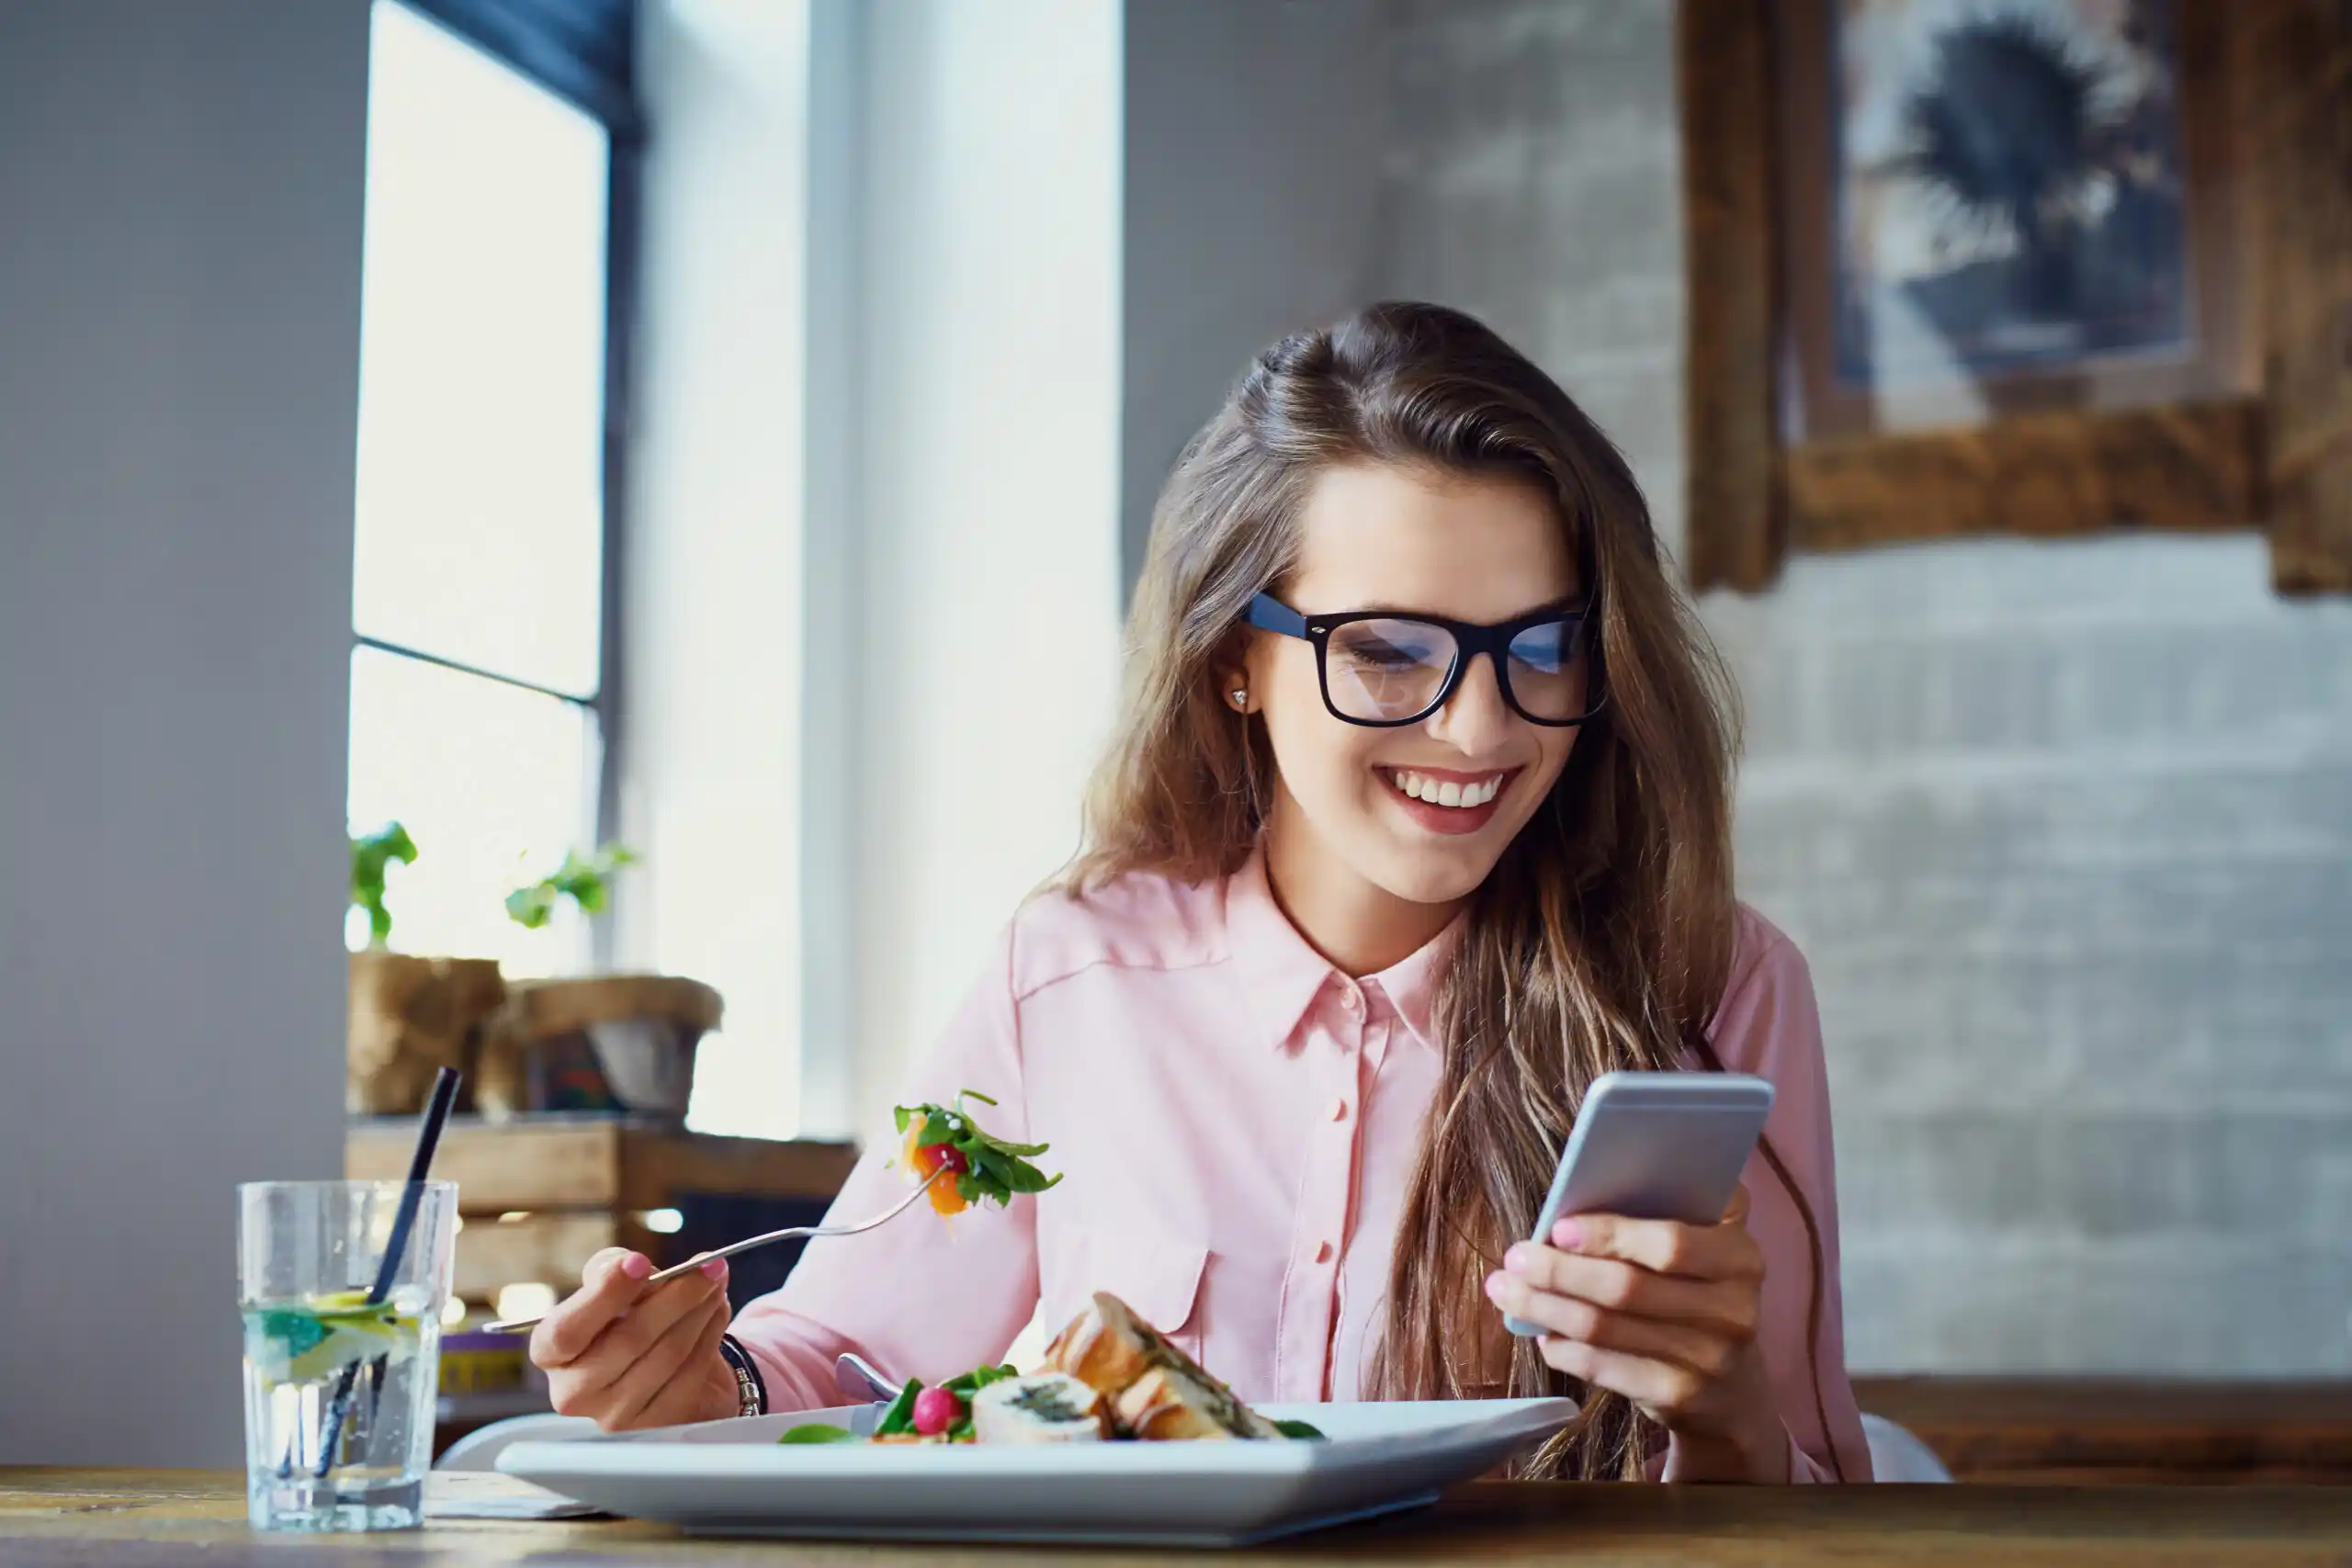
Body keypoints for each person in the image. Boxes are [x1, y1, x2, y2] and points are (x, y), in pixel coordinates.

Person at [526, 301, 1870, 1483]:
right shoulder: (1066, 978)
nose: (1477, 730)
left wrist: (1728, 1409)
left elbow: (1815, 1497)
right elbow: (851, 1363)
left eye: (1543, 648)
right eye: (1391, 651)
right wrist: (705, 1389)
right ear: (1236, 655)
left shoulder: (1720, 983)